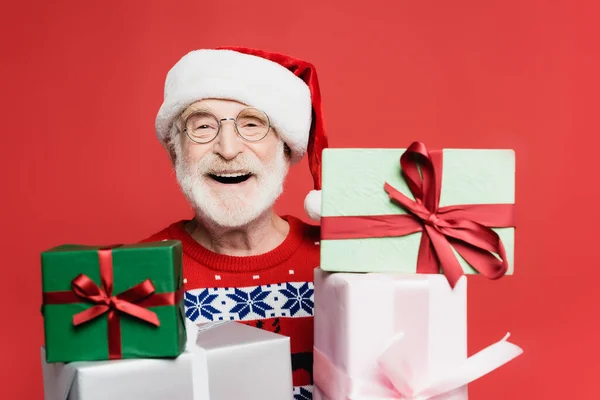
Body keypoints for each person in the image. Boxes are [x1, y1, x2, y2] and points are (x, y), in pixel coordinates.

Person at [142, 46, 328, 399]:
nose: (227, 149)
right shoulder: (133, 276)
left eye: (252, 125)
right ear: (174, 150)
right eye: (202, 126)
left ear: (286, 149)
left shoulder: (341, 261)